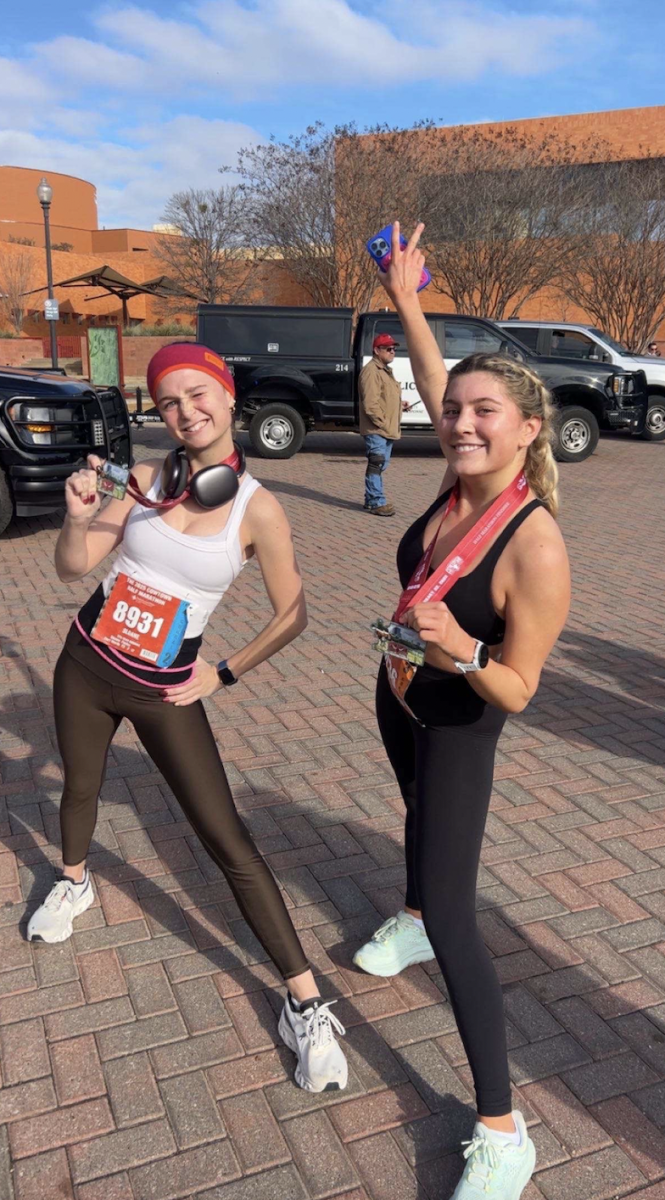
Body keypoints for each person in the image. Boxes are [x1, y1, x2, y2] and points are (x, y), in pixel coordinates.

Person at [27, 342, 347, 1095]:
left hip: (167, 691)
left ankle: (304, 1000)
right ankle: (73, 881)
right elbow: (74, 568)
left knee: (225, 837)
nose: (185, 411)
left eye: (197, 394)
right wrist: (75, 522)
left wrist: (223, 672)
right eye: (169, 402)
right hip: (86, 663)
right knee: (80, 785)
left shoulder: (255, 508)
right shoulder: (141, 480)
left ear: (229, 398)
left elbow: (293, 612)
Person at [354, 226, 570, 1199]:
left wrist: (460, 649)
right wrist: (406, 302)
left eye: (486, 412)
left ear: (529, 428)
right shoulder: (454, 477)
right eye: (450, 411)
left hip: (459, 719)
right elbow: (447, 382)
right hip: (398, 696)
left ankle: (501, 1126)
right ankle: (402, 915)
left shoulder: (533, 543)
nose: (461, 422)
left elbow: (517, 691)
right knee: (413, 829)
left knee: (456, 915)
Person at [359, 332, 404, 516]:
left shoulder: (384, 370)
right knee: (376, 463)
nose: (392, 352)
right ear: (377, 350)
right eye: (388, 349)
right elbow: (371, 404)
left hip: (386, 428)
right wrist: (383, 423)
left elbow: (384, 397)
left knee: (381, 465)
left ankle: (371, 500)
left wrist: (401, 405)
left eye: (393, 349)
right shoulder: (371, 371)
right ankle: (376, 501)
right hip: (377, 429)